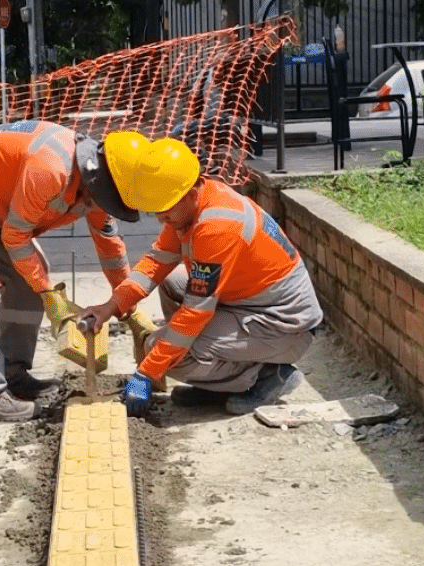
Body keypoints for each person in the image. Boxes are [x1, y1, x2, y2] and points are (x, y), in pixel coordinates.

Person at [0, 120, 157, 421]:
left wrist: (128, 306)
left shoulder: (97, 178)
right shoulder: (52, 169)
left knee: (29, 276)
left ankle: (12, 371)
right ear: (99, 181)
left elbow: (110, 249)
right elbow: (15, 237)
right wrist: (48, 294)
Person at [80, 132, 324, 417]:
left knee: (160, 350)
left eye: (164, 209)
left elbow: (196, 313)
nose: (160, 219)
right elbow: (156, 262)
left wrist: (147, 373)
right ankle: (216, 382)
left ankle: (267, 376)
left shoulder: (217, 227)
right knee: (172, 285)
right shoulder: (192, 205)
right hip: (252, 306)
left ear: (190, 194)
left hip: (284, 325)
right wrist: (110, 306)